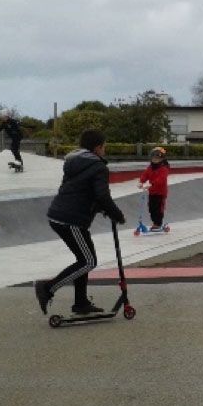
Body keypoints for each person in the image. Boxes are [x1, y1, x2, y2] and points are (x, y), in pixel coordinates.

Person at [34, 129, 126, 316]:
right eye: (104, 146)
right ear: (98, 147)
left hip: (60, 216)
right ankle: (47, 288)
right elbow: (102, 195)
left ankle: (81, 303)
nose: (105, 150)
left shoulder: (74, 162)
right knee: (88, 261)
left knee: (83, 260)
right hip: (71, 220)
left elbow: (79, 190)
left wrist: (99, 208)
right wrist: (116, 214)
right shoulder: (99, 166)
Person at [137, 146, 170, 231]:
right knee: (151, 208)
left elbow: (161, 179)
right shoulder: (150, 168)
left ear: (162, 159)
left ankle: (158, 224)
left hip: (160, 193)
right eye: (154, 158)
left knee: (158, 208)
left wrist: (152, 184)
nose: (155, 160)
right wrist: (141, 182)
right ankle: (155, 223)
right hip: (152, 192)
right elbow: (145, 174)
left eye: (157, 158)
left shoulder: (164, 169)